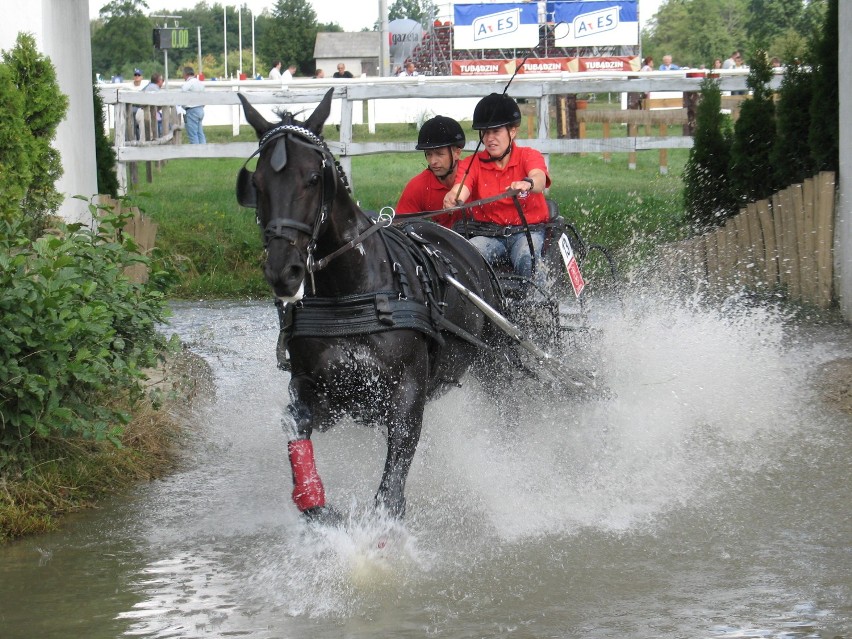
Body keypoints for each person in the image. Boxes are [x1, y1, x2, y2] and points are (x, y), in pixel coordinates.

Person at [442, 92, 551, 283]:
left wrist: (528, 183)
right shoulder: (471, 163)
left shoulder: (528, 155)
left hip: (527, 233)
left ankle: (537, 309)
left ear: (513, 131)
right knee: (467, 258)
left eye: (496, 131)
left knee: (528, 259)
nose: (490, 138)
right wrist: (453, 197)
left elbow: (539, 178)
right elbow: (461, 189)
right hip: (488, 235)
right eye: (485, 132)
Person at [396, 115, 468, 228]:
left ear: (457, 153)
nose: (433, 161)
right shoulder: (417, 186)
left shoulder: (475, 175)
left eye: (439, 154)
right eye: (429, 154)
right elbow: (400, 228)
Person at [135, 72, 164, 139]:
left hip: (144, 112)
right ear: (159, 80)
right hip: (144, 113)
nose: (162, 82)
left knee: (147, 136)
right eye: (162, 80)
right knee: (146, 136)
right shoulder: (154, 88)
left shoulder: (149, 86)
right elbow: (162, 99)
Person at [181, 66, 206, 144]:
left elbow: (181, 95)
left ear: (186, 74)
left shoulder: (188, 84)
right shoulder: (200, 83)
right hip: (200, 109)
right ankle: (204, 151)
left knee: (193, 134)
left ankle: (196, 152)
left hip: (192, 110)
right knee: (200, 133)